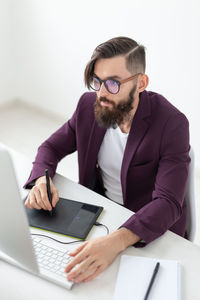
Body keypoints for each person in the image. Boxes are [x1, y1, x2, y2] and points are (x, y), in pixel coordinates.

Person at [24, 36, 190, 284]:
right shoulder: (88, 105)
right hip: (102, 215)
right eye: (97, 81)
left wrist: (117, 241)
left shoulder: (172, 124)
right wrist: (41, 180)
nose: (101, 93)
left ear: (141, 83)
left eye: (113, 83)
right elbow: (50, 147)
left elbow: (168, 202)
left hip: (148, 227)